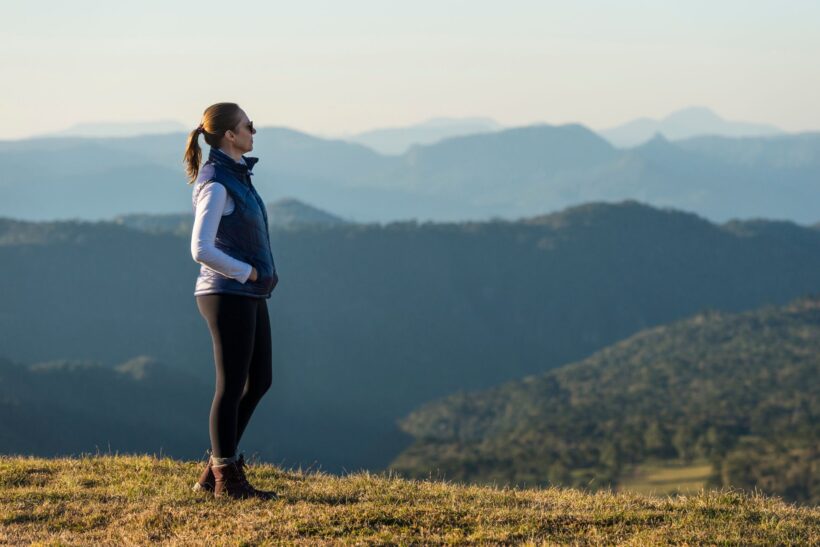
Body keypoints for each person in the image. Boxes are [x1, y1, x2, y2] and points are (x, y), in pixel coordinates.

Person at [183, 102, 279, 500]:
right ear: (229, 135)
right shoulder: (218, 183)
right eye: (248, 125)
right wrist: (247, 272)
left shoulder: (235, 175)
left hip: (247, 293)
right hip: (225, 293)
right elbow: (200, 248)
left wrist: (253, 280)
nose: (253, 131)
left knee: (260, 380)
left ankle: (216, 471)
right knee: (232, 384)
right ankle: (226, 479)